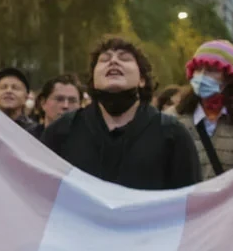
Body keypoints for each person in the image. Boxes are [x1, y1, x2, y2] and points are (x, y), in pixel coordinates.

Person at [40, 38, 202, 191]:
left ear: (142, 80)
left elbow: (190, 204)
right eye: (104, 59)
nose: (113, 61)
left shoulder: (172, 134)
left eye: (124, 58)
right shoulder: (62, 131)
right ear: (93, 80)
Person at [175, 40, 233, 175]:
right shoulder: (174, 118)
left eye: (212, 70)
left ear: (230, 78)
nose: (201, 76)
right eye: (198, 69)